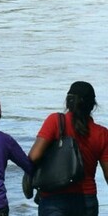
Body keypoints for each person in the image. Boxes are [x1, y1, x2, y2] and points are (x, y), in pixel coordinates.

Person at [28, 81, 108, 216]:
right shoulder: (102, 133)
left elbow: (34, 157)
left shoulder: (55, 121)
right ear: (93, 105)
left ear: (67, 102)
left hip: (53, 198)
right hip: (86, 200)